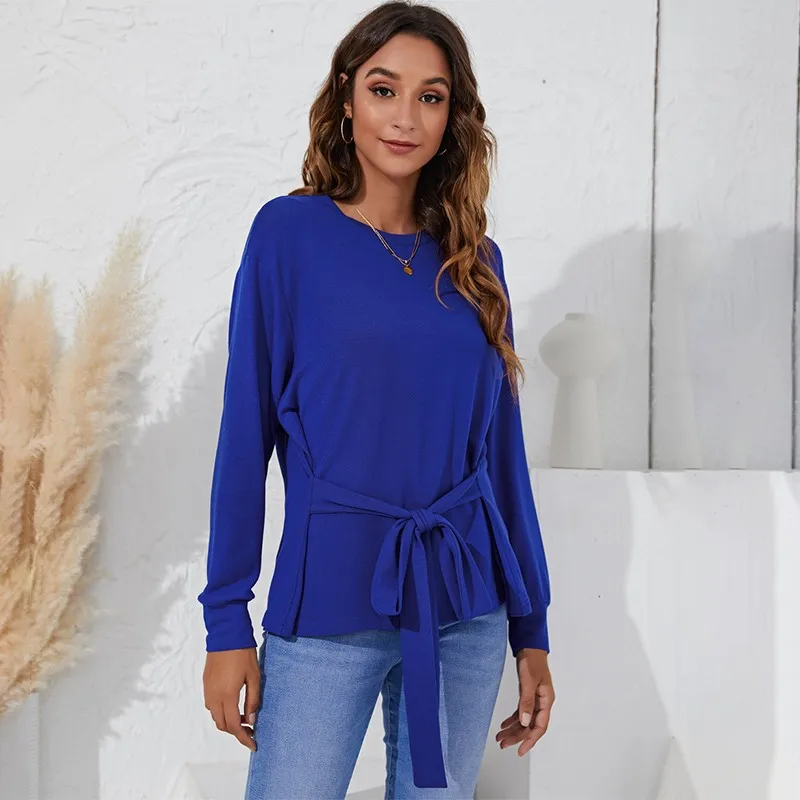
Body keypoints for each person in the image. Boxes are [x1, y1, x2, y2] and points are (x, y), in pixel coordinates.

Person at [197, 2, 555, 798]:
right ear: (347, 98)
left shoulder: (476, 260)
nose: (405, 118)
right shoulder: (288, 235)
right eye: (384, 89)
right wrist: (226, 621)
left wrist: (531, 628)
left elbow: (502, 461)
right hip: (328, 606)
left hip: (466, 610)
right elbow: (244, 438)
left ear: (453, 117)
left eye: (431, 96)